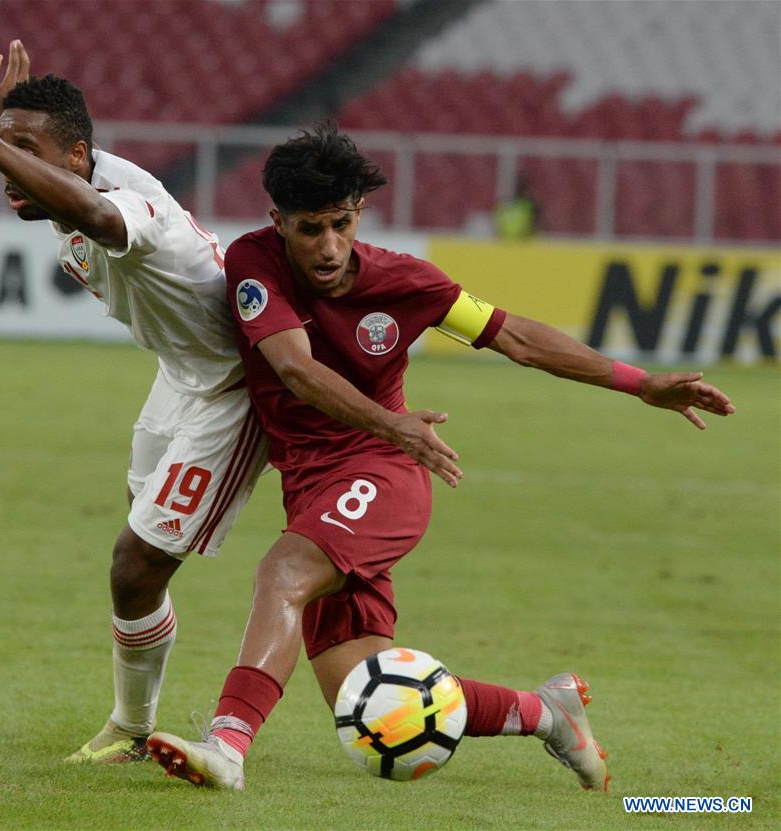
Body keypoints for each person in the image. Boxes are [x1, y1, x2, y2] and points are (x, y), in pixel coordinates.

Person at [144, 123, 735, 792]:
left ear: (359, 213)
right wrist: (394, 422)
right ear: (278, 221)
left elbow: (517, 336)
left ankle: (226, 745)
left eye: (341, 223)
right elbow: (296, 371)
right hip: (321, 483)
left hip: (385, 471)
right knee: (364, 698)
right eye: (311, 228)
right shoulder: (256, 262)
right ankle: (551, 714)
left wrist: (643, 382)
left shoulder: (408, 282)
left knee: (283, 571)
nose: (329, 246)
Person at [0, 35, 267, 763]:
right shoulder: (71, 176)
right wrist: (12, 133)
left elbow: (101, 217)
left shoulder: (135, 214)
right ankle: (133, 723)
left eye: (26, 151)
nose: (8, 167)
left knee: (135, 563)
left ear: (75, 158)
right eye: (6, 148)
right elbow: (68, 189)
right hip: (178, 375)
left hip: (231, 390)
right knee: (138, 564)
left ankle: (132, 727)